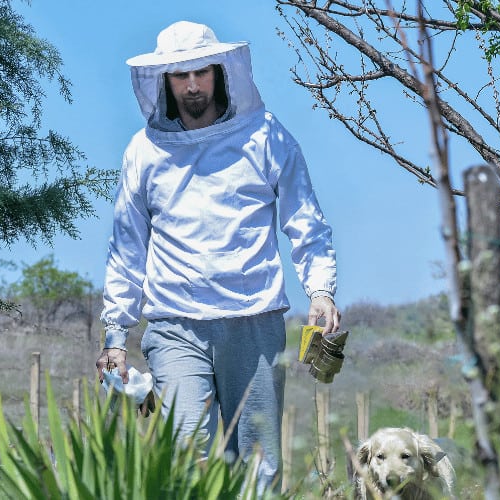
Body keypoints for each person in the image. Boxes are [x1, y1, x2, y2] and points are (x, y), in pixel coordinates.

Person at [95, 20, 340, 491]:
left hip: (254, 322)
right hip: (173, 325)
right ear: (163, 80)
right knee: (183, 455)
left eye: (201, 72)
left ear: (221, 72)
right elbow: (127, 245)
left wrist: (321, 290)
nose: (191, 85)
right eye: (180, 75)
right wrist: (114, 335)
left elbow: (305, 220)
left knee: (256, 463)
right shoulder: (143, 152)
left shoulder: (266, 137)